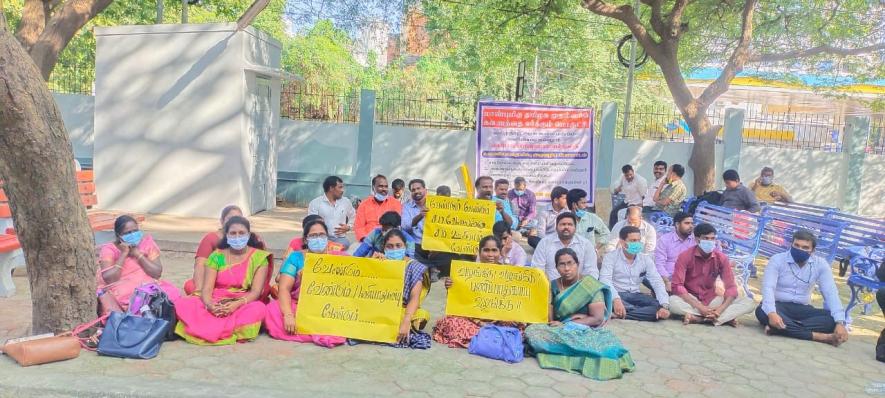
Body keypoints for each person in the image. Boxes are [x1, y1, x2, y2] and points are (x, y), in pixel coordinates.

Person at [524, 248, 635, 381]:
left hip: (584, 331)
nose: (567, 268)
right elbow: (550, 320)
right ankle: (575, 351)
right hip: (559, 331)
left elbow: (597, 318)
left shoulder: (589, 285)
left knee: (607, 349)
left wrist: (568, 322)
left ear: (578, 264)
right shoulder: (553, 285)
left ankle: (565, 352)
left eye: (570, 263)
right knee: (532, 331)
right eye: (562, 264)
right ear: (556, 267)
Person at [174, 216, 269, 345]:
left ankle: (214, 328)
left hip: (242, 301)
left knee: (258, 308)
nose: (237, 237)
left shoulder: (259, 257)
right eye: (233, 233)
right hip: (216, 298)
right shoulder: (217, 256)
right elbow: (207, 288)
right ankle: (218, 328)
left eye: (241, 233)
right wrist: (210, 305)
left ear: (249, 234)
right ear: (226, 235)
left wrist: (235, 305)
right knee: (186, 304)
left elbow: (255, 292)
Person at [755, 230, 848, 346]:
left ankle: (781, 329)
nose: (800, 250)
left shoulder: (820, 264)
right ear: (791, 245)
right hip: (778, 306)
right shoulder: (777, 260)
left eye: (805, 248)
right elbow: (768, 287)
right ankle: (820, 336)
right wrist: (772, 313)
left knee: (831, 319)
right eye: (796, 245)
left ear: (812, 251)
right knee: (762, 311)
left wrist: (840, 322)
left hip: (803, 309)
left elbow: (830, 293)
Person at [265, 219, 347, 347]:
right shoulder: (296, 258)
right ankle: (322, 331)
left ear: (327, 238)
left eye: (322, 235)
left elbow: (354, 285)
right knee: (273, 310)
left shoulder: (340, 258)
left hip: (331, 307)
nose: (318, 238)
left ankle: (310, 330)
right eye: (313, 236)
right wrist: (288, 315)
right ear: (305, 240)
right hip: (301, 305)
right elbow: (284, 288)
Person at [433, 235, 527, 348]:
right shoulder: (467, 272)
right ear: (479, 251)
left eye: (494, 250)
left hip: (498, 321)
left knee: (519, 325)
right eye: (486, 250)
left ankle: (484, 337)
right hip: (472, 320)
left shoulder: (506, 272)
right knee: (449, 322)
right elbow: (458, 303)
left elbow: (513, 304)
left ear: (499, 252)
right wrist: (451, 287)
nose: (490, 255)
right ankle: (493, 337)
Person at [668, 223, 756, 326]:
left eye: (712, 238)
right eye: (706, 238)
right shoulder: (685, 256)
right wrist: (700, 307)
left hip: (712, 299)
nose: (710, 242)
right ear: (697, 239)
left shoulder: (721, 258)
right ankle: (722, 319)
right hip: (691, 299)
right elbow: (677, 286)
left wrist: (720, 309)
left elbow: (731, 287)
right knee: (672, 301)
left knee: (749, 302)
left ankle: (699, 318)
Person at [96, 215, 180, 314]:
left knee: (171, 297)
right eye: (127, 233)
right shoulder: (109, 249)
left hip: (149, 288)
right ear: (118, 235)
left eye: (135, 231)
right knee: (137, 304)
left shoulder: (147, 244)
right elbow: (109, 278)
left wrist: (138, 254)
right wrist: (123, 254)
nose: (133, 235)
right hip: (125, 293)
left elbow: (157, 273)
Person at [185, 205, 265, 296]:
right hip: (217, 286)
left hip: (247, 288)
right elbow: (200, 265)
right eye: (230, 218)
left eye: (238, 218)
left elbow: (262, 265)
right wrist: (200, 290)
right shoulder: (215, 248)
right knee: (191, 286)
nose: (234, 221)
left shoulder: (253, 239)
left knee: (262, 292)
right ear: (222, 221)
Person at [600, 226, 671, 322]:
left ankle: (623, 313)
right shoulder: (610, 257)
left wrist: (664, 305)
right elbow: (605, 280)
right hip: (618, 294)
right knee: (604, 299)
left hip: (635, 295)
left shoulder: (645, 259)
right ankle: (644, 313)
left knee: (657, 306)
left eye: (638, 240)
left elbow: (656, 281)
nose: (637, 244)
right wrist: (616, 300)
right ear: (622, 242)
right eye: (633, 240)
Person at [383, 230, 433, 348]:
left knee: (421, 315)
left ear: (405, 246)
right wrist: (373, 263)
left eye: (398, 246)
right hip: (383, 308)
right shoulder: (381, 262)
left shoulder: (413, 266)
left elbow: (415, 298)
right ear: (383, 248)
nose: (394, 249)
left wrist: (406, 320)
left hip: (403, 310)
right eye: (390, 246)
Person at [531, 212, 598, 281]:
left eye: (570, 224)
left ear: (575, 228)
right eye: (563, 224)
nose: (566, 227)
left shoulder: (586, 244)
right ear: (556, 227)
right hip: (550, 287)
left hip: (578, 287)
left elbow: (591, 271)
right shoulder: (544, 243)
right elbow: (537, 268)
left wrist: (583, 288)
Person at [308, 176, 356, 249]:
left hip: (340, 239)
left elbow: (354, 216)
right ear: (331, 188)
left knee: (345, 244)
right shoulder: (315, 203)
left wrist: (349, 227)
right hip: (321, 239)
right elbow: (310, 223)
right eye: (340, 187)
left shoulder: (346, 202)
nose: (342, 190)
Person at [653, 212, 695, 292]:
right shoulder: (665, 240)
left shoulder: (695, 240)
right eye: (687, 223)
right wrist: (667, 281)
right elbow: (659, 264)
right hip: (669, 277)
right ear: (677, 224)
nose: (691, 226)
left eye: (692, 223)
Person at [354, 174, 403, 242]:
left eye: (386, 186)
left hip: (389, 241)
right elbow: (359, 227)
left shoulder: (395, 203)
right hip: (367, 240)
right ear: (373, 188)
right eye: (380, 186)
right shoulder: (364, 204)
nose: (384, 189)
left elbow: (397, 225)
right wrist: (365, 240)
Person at [566, 188, 609, 255]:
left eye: (586, 202)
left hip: (590, 255)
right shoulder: (564, 220)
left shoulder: (592, 217)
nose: (586, 205)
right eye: (583, 203)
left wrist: (596, 248)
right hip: (571, 257)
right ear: (574, 205)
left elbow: (606, 233)